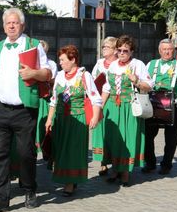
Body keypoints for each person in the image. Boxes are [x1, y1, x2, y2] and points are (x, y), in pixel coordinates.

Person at [0, 8, 52, 212]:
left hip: (24, 110)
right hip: (0, 108)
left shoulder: (33, 45)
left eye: (15, 22)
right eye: (8, 23)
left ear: (22, 25)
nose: (11, 26)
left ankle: (29, 189)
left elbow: (48, 73)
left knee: (25, 153)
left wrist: (34, 73)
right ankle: (1, 199)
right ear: (3, 26)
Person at [45, 45, 102, 196]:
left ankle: (70, 183)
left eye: (63, 60)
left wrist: (95, 117)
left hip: (78, 119)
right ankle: (66, 178)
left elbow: (95, 98)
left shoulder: (84, 75)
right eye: (59, 60)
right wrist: (49, 119)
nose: (60, 63)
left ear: (73, 60)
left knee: (73, 150)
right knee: (61, 149)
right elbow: (54, 100)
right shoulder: (59, 76)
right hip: (61, 119)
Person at [101, 35, 152, 186]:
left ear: (132, 51)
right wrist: (100, 108)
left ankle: (125, 173)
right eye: (119, 50)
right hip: (113, 106)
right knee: (114, 139)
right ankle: (115, 169)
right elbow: (107, 88)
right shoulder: (113, 65)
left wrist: (136, 81)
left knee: (128, 139)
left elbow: (149, 86)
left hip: (129, 107)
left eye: (125, 50)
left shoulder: (138, 64)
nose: (122, 53)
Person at [143, 39, 177, 175]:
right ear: (159, 51)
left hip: (173, 106)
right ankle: (150, 163)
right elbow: (143, 81)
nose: (167, 52)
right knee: (147, 135)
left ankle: (166, 164)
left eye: (170, 49)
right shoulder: (151, 64)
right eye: (164, 49)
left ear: (174, 51)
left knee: (171, 138)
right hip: (153, 105)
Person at [91, 36, 117, 176]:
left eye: (107, 47)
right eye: (103, 47)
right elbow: (93, 79)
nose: (104, 49)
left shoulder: (118, 64)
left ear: (115, 50)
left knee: (112, 132)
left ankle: (115, 162)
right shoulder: (99, 63)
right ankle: (103, 162)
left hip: (112, 101)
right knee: (100, 131)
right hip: (99, 101)